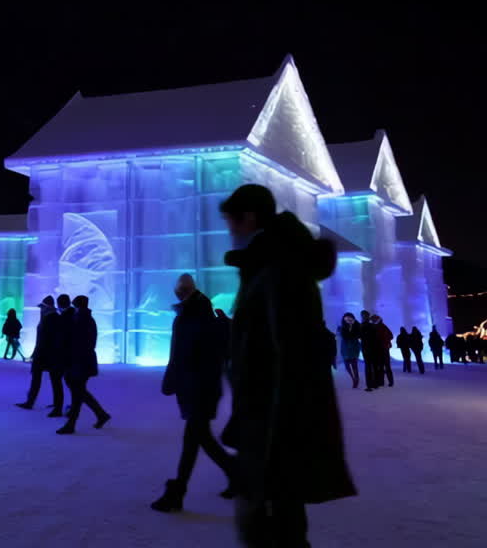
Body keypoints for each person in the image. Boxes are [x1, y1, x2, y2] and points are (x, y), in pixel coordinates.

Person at [217, 184, 356, 547]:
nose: (229, 230)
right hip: (268, 420)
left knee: (277, 527)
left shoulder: (279, 267)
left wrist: (276, 434)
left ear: (249, 218)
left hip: (276, 424)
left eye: (232, 221)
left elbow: (292, 355)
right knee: (279, 522)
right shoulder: (270, 264)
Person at [151, 275, 236, 513]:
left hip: (196, 388)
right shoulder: (210, 319)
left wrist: (170, 380)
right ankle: (236, 474)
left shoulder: (188, 319)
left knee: (192, 440)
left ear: (182, 293)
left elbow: (178, 355)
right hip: (205, 388)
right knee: (202, 438)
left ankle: (177, 492)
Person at [57, 295, 111, 435]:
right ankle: (100, 414)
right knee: (79, 391)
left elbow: (77, 343)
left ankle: (72, 424)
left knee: (77, 393)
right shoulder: (86, 319)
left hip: (79, 362)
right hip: (83, 361)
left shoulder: (80, 320)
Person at [17, 296, 66, 415]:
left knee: (48, 380)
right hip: (46, 354)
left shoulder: (50, 319)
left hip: (46, 354)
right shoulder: (50, 317)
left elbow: (45, 339)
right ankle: (53, 404)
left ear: (46, 307)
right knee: (52, 380)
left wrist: (37, 354)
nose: (40, 309)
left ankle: (33, 402)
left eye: (42, 307)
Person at [338, 313, 362, 389]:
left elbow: (358, 335)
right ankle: (354, 378)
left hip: (353, 346)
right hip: (345, 347)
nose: (348, 319)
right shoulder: (343, 326)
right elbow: (343, 336)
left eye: (349, 318)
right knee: (347, 366)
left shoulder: (357, 325)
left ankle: (356, 379)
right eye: (346, 318)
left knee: (354, 365)